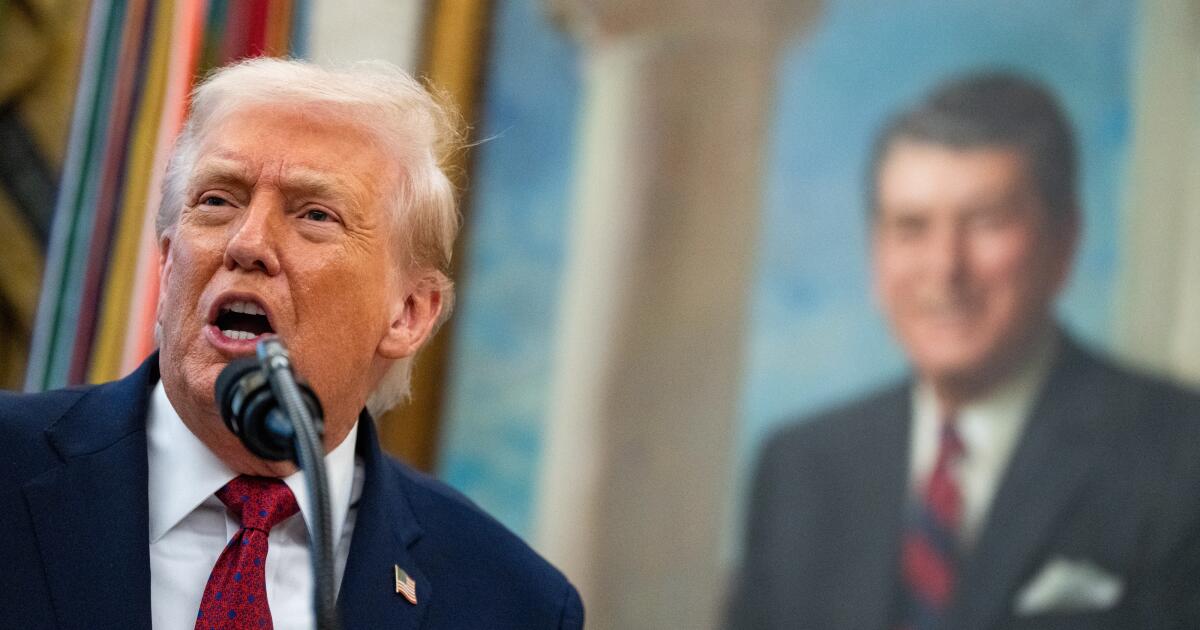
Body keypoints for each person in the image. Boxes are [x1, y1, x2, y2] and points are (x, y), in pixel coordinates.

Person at [0, 58, 583, 630]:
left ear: (408, 313)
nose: (248, 243)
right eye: (217, 201)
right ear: (169, 262)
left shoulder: (514, 603)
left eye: (315, 215)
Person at [727, 73, 1200, 630]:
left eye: (986, 223)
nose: (945, 268)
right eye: (911, 227)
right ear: (875, 254)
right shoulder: (799, 468)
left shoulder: (1179, 455)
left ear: (1064, 242)